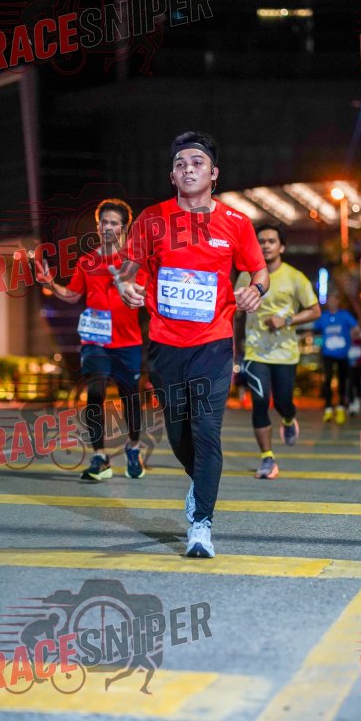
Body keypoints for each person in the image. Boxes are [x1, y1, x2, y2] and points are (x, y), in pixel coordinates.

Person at [115, 131, 269, 558]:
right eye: (180, 164)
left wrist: (255, 289)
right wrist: (127, 286)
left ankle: (201, 524)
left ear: (214, 174)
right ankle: (199, 484)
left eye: (197, 162)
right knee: (179, 434)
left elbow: (258, 270)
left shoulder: (236, 223)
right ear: (172, 176)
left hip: (213, 344)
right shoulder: (151, 220)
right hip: (165, 344)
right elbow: (130, 268)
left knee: (206, 430)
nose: (188, 169)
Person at [35, 199, 146, 480]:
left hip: (128, 341)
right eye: (103, 222)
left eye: (114, 223)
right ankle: (99, 457)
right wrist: (51, 284)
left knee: (130, 398)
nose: (107, 227)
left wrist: (125, 283)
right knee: (95, 394)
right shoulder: (86, 261)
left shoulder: (134, 261)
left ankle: (133, 447)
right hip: (95, 340)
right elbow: (73, 295)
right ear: (98, 226)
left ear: (124, 228)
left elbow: (142, 294)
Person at [234, 223, 320, 479]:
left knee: (283, 403)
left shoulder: (295, 277)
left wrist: (287, 320)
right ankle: (267, 459)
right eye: (261, 241)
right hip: (255, 351)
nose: (265, 245)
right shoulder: (246, 276)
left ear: (281, 247)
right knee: (260, 402)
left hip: (284, 353)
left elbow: (315, 311)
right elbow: (235, 310)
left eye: (271, 241)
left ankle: (288, 419)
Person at [314, 291, 358, 424]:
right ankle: (328, 408)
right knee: (327, 379)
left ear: (338, 302)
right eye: (330, 300)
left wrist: (358, 334)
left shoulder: (344, 315)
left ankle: (340, 407)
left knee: (342, 381)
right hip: (327, 354)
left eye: (334, 300)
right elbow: (314, 330)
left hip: (343, 354)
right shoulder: (323, 316)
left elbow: (356, 328)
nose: (332, 302)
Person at [348, 332, 361, 415]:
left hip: (358, 366)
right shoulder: (347, 341)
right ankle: (351, 404)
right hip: (349, 366)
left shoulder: (360, 341)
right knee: (350, 384)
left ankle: (357, 402)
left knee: (358, 383)